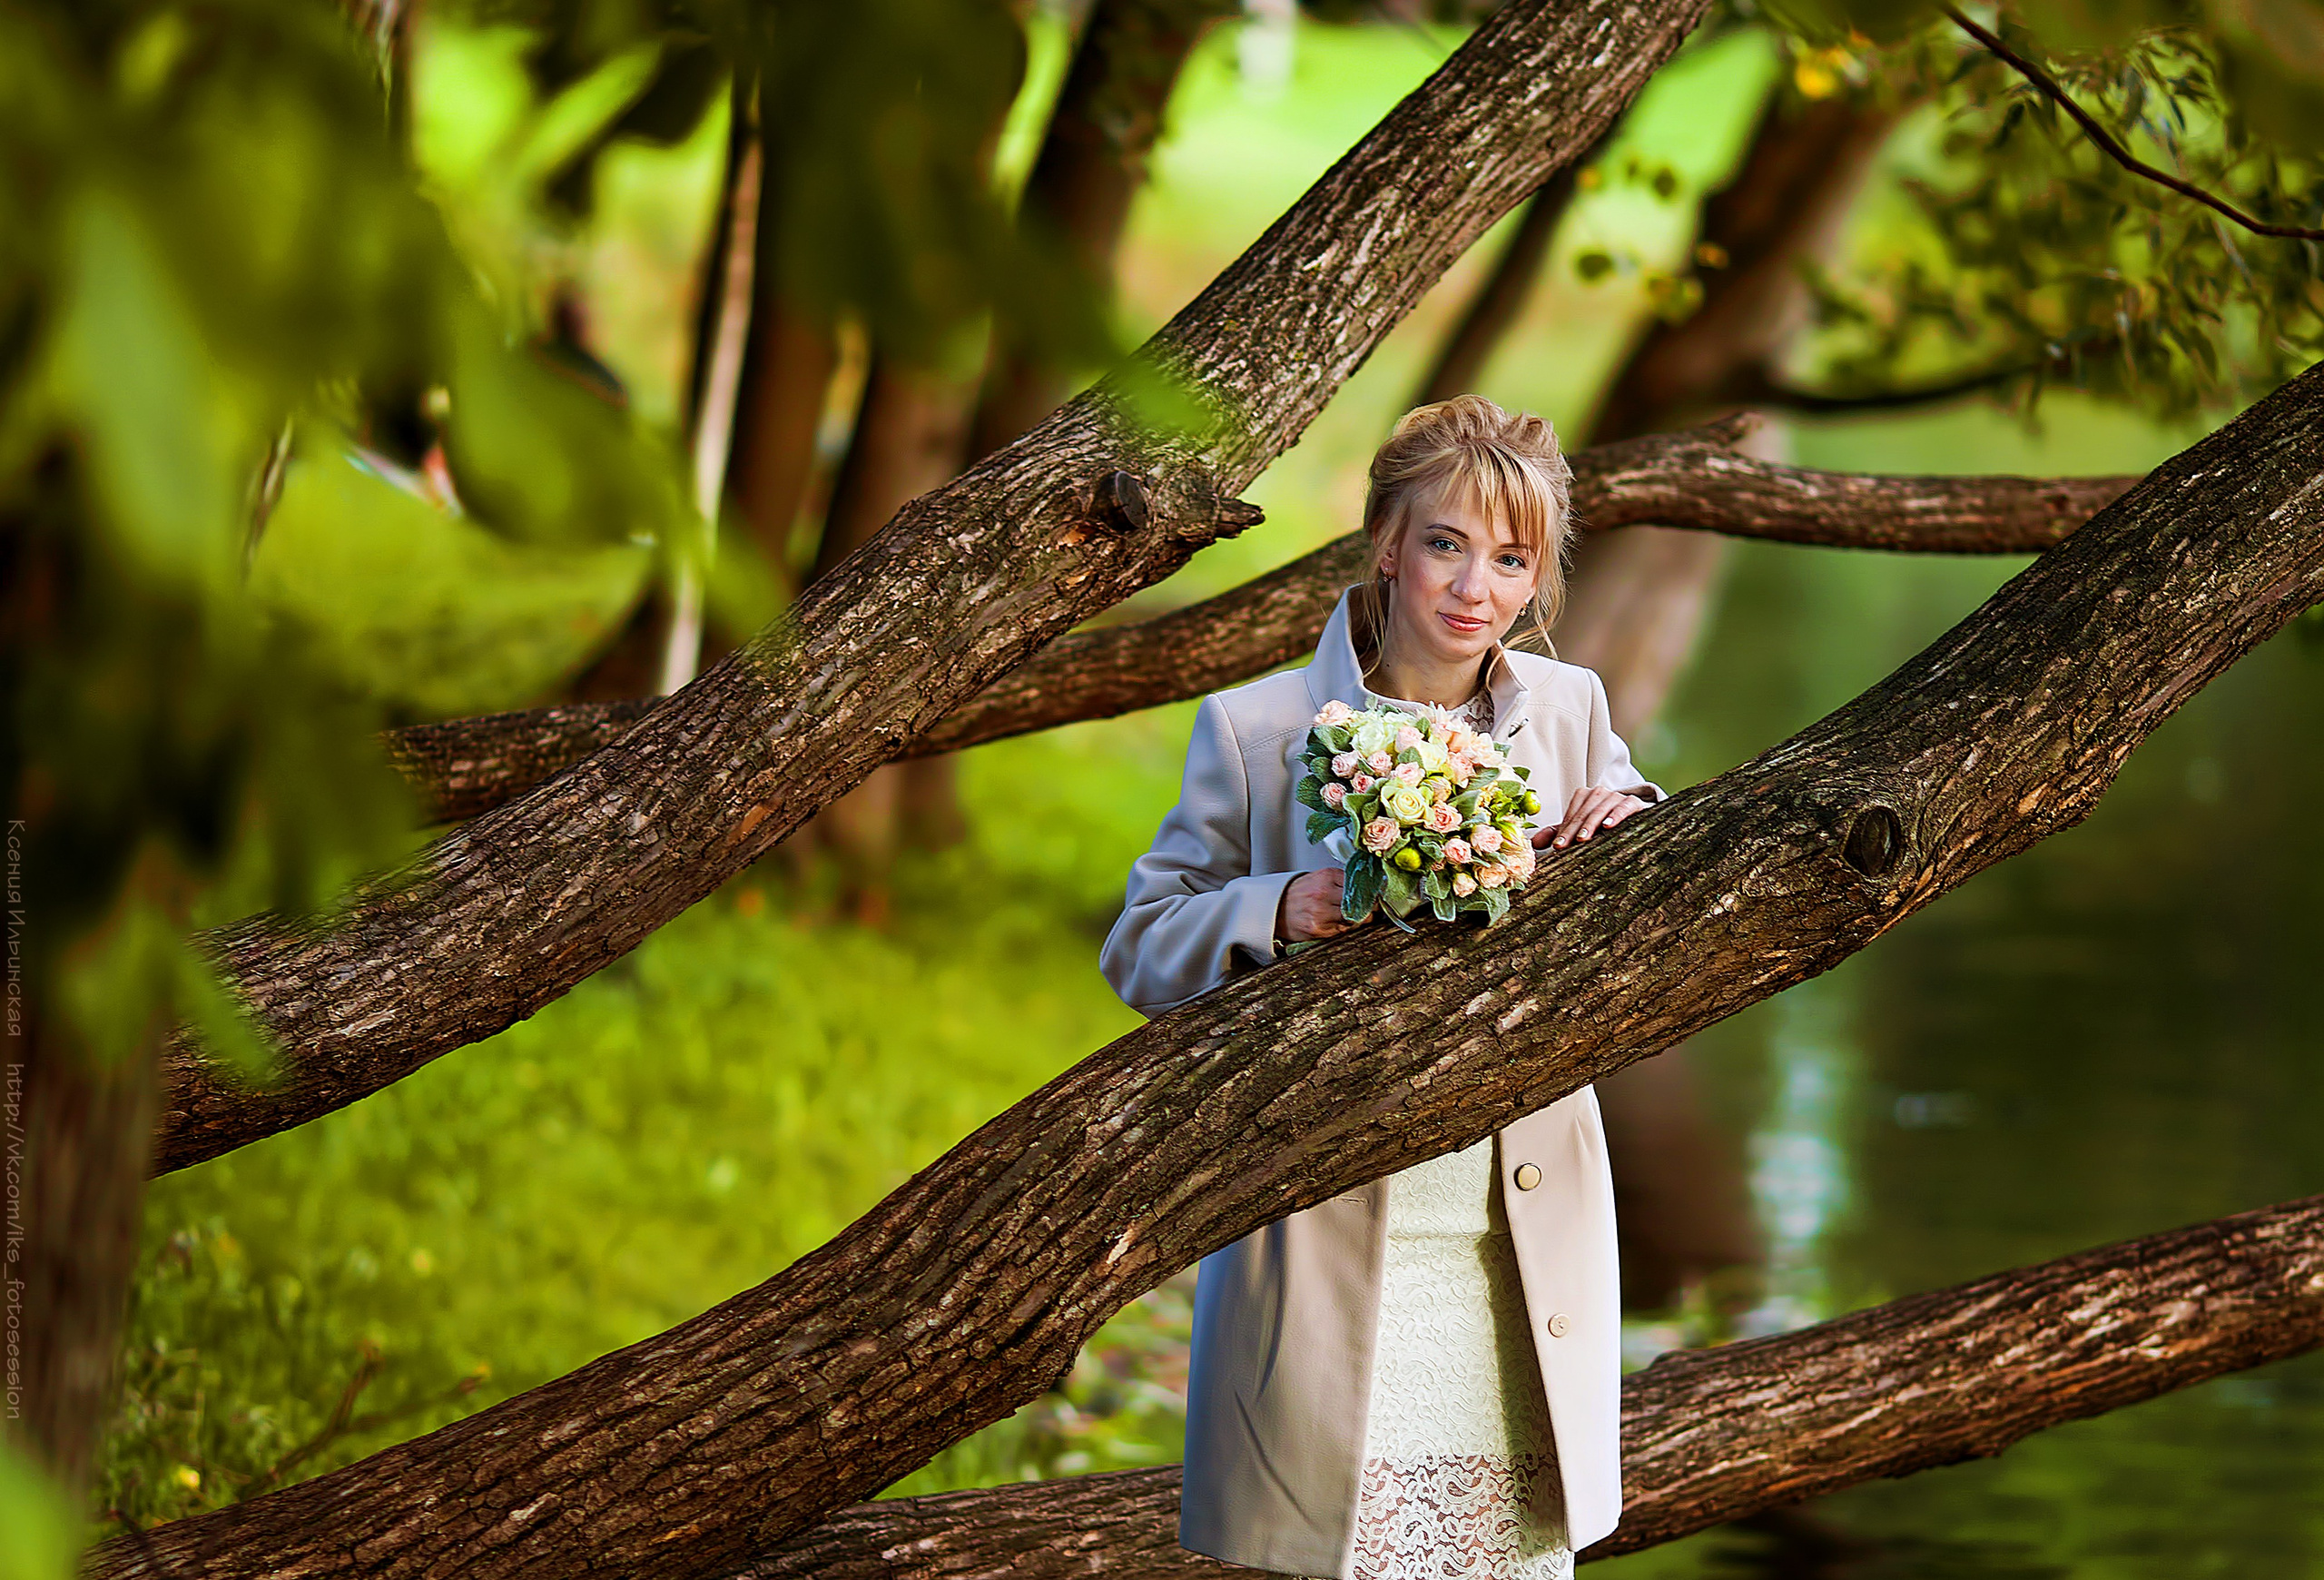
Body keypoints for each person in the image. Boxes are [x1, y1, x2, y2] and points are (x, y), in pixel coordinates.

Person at [1099, 395, 1664, 1580]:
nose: (1473, 587)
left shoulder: (1570, 711)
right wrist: (1278, 907)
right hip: (1324, 1250)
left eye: (1510, 559)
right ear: (1387, 544)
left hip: (1517, 1255)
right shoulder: (1258, 728)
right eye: (1446, 544)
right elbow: (1140, 945)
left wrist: (1633, 820)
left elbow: (1650, 883)